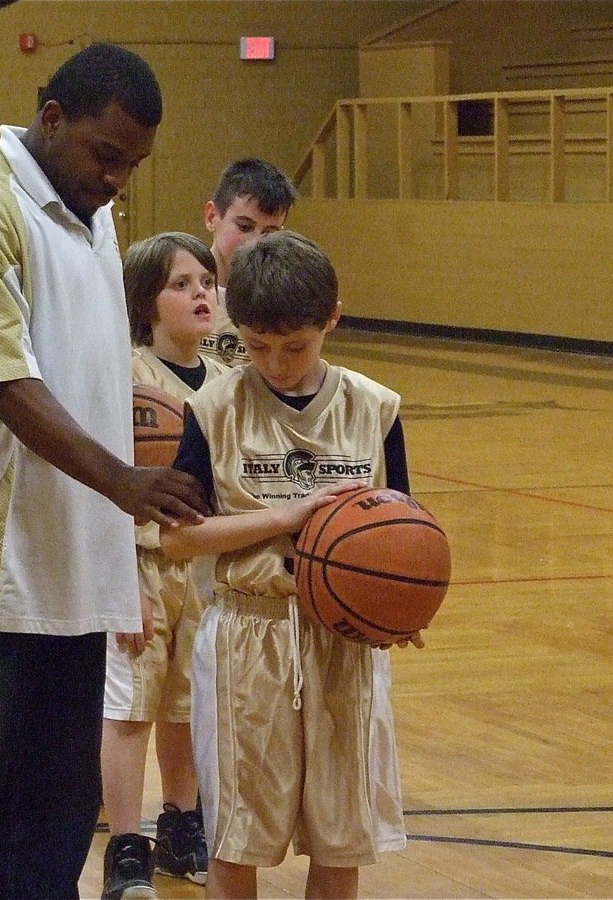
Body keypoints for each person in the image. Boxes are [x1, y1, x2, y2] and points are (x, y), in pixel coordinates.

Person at [0, 43, 207, 900]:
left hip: (72, 561)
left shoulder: (89, 211)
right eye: (108, 156)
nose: (118, 180)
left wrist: (116, 548)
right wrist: (123, 483)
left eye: (133, 165)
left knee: (54, 815)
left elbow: (89, 377)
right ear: (51, 118)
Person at [160, 231, 417, 900]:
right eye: (257, 346)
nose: (275, 363)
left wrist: (400, 605)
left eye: (295, 346)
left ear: (332, 317)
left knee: (340, 837)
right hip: (249, 635)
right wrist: (286, 517)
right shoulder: (213, 409)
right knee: (236, 837)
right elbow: (178, 541)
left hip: (345, 642)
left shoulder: (375, 408)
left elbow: (403, 534)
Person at [100, 233, 230, 900]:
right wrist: (119, 575)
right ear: (146, 302)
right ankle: (126, 845)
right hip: (142, 562)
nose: (201, 292)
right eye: (182, 284)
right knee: (130, 710)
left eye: (206, 281)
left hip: (204, 567)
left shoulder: (230, 383)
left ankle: (183, 821)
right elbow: (100, 488)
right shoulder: (123, 376)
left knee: (189, 705)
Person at [200, 159, 297, 366]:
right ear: (212, 217)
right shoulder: (176, 289)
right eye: (244, 226)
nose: (255, 242)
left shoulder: (278, 299)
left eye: (269, 233)